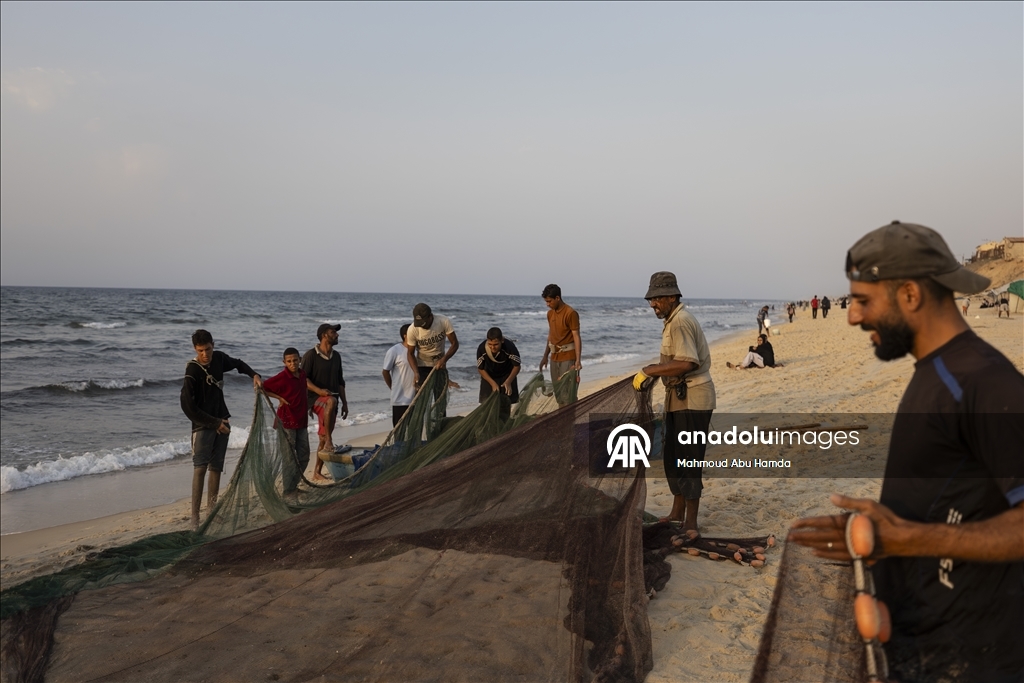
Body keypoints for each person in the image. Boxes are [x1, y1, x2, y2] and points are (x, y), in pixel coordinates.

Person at [788, 221, 1023, 682]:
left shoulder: (983, 382)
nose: (853, 317)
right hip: (920, 645)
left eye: (863, 301)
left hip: (971, 659)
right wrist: (879, 536)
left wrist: (907, 540)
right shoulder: (935, 371)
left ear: (911, 295)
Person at [632, 272, 716, 532]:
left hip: (693, 398)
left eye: (657, 298)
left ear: (672, 296)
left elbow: (689, 362)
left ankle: (690, 521)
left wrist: (650, 370)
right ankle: (677, 511)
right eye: (650, 300)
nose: (653, 304)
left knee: (689, 459)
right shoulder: (671, 321)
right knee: (672, 457)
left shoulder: (680, 322)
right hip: (677, 399)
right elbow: (675, 363)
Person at [180, 329, 262, 529]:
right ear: (194, 349)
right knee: (200, 469)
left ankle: (211, 511)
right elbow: (187, 406)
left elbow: (238, 364)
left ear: (213, 345)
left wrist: (254, 374)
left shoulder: (219, 359)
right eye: (200, 350)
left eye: (208, 349)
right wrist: (213, 423)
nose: (205, 354)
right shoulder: (192, 370)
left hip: (222, 421)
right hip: (202, 425)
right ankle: (195, 518)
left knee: (216, 468)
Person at [302, 323, 349, 479]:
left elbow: (340, 382)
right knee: (329, 402)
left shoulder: (337, 356)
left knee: (322, 437)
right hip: (314, 399)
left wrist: (345, 403)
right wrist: (319, 391)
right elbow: (303, 379)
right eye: (333, 332)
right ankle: (330, 440)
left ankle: (316, 472)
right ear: (324, 335)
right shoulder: (310, 355)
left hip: (333, 401)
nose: (337, 335)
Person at [261, 347, 310, 497]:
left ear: (300, 360)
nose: (293, 363)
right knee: (289, 458)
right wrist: (279, 398)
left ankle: (292, 485)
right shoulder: (282, 377)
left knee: (304, 455)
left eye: (295, 360)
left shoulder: (302, 374)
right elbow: (262, 387)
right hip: (286, 422)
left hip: (301, 421)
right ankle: (288, 491)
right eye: (289, 361)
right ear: (284, 362)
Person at [539, 284, 581, 407]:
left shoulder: (570, 313)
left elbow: (576, 337)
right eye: (546, 301)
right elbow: (551, 335)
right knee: (559, 394)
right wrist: (545, 356)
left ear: (557, 298)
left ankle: (570, 424)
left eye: (549, 301)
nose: (547, 304)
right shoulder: (550, 314)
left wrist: (578, 360)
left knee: (568, 395)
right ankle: (564, 423)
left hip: (568, 357)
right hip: (554, 358)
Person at [405, 303, 459, 392]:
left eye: (424, 323)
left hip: (440, 363)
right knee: (420, 397)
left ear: (430, 316)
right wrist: (416, 372)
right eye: (419, 324)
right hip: (422, 365)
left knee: (440, 394)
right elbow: (410, 354)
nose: (422, 326)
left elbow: (455, 344)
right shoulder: (412, 330)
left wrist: (444, 360)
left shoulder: (443, 321)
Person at [382, 324, 417, 427]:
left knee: (414, 431)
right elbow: (385, 372)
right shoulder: (394, 351)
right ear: (405, 336)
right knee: (399, 432)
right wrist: (393, 388)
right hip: (400, 399)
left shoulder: (418, 350)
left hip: (416, 399)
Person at [476, 327, 522, 404]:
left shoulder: (510, 348)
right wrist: (493, 384)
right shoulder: (482, 349)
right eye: (490, 344)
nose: (492, 347)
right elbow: (480, 369)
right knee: (486, 403)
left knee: (509, 403)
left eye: (496, 344)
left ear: (502, 340)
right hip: (489, 375)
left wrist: (508, 382)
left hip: (507, 375)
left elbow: (517, 366)